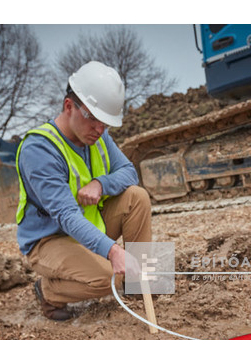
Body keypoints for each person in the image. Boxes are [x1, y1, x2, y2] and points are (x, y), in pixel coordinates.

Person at [15, 61, 152, 320]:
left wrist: (101, 184)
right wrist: (113, 251)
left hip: (87, 225)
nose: (100, 130)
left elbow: (129, 173)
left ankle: (141, 283)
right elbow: (66, 216)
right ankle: (48, 291)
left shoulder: (97, 135)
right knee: (109, 277)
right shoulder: (39, 150)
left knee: (137, 197)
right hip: (49, 240)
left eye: (106, 124)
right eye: (94, 119)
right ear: (69, 107)